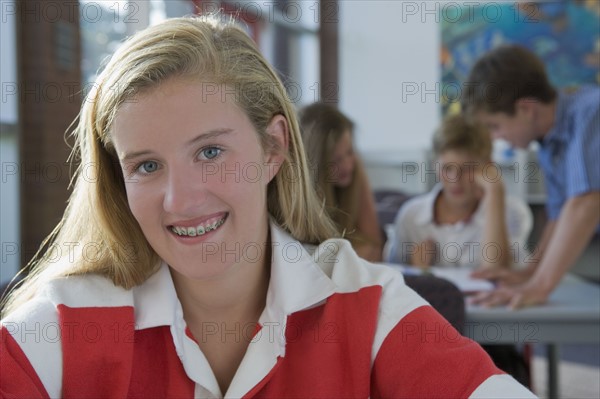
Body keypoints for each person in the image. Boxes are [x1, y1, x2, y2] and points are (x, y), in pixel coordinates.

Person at [0, 16, 535, 398]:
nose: (180, 200)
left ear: (274, 148)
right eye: (145, 165)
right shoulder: (65, 325)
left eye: (210, 152)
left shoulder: (367, 307)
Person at [461, 44, 600, 309]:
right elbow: (559, 217)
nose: (495, 137)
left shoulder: (591, 112)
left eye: (495, 126)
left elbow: (586, 202)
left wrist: (540, 287)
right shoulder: (550, 144)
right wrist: (529, 273)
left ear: (526, 109)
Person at [384, 113, 533, 271]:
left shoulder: (511, 211)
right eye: (447, 168)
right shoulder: (410, 216)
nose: (455, 179)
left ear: (488, 167)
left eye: (467, 169)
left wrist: (495, 190)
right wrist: (419, 270)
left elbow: (495, 271)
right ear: (435, 165)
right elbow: (393, 281)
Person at [299, 102, 383, 262]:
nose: (347, 165)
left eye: (350, 152)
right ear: (315, 164)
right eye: (336, 160)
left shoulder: (355, 170)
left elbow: (373, 247)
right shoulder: (297, 195)